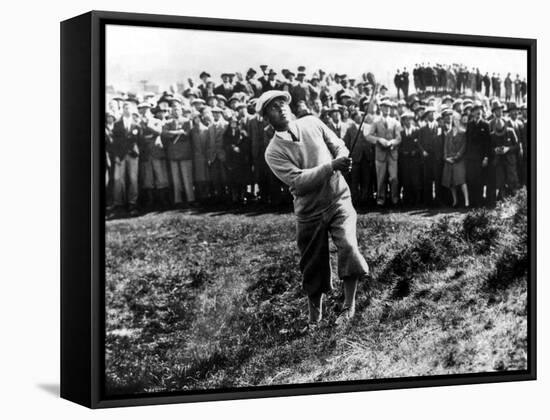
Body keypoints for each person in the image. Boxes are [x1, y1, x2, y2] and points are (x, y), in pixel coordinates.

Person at [261, 90, 369, 327]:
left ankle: (348, 307)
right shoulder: (273, 151)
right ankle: (315, 320)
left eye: (282, 103)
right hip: (309, 211)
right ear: (266, 118)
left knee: (349, 247)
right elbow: (298, 181)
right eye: (273, 107)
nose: (281, 108)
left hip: (338, 197)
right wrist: (332, 165)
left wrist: (342, 156)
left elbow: (338, 145)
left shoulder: (312, 122)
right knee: (312, 264)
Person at [366, 99, 402, 206]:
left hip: (392, 153)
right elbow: (368, 136)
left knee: (394, 178)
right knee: (381, 178)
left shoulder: (395, 122)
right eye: (384, 107)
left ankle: (394, 198)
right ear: (381, 108)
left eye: (388, 107)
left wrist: (392, 142)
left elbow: (399, 138)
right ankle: (381, 199)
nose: (387, 109)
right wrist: (379, 140)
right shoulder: (376, 121)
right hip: (380, 153)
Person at [111, 101, 142, 216]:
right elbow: (114, 142)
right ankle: (118, 204)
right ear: (122, 110)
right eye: (125, 108)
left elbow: (140, 141)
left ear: (132, 110)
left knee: (133, 179)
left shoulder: (137, 124)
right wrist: (116, 156)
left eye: (129, 108)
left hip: (133, 155)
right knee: (118, 179)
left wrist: (137, 152)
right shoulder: (117, 124)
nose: (127, 110)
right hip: (120, 155)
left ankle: (132, 203)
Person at [137, 102, 169, 210]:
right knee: (148, 178)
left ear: (150, 110)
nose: (145, 111)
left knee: (160, 176)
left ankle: (163, 201)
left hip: (156, 151)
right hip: (145, 153)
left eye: (146, 109)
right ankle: (150, 202)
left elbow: (158, 132)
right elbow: (139, 137)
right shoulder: (138, 122)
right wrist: (148, 135)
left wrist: (148, 125)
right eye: (142, 109)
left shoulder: (156, 121)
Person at [163, 103, 196, 207]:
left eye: (177, 110)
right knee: (176, 179)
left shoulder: (187, 121)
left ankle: (190, 199)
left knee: (187, 178)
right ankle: (178, 200)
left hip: (185, 152)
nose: (176, 111)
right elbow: (165, 133)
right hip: (173, 153)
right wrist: (178, 132)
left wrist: (175, 133)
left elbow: (187, 134)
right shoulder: (167, 122)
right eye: (174, 110)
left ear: (181, 111)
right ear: (171, 112)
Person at [342, 110, 374, 207]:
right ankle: (355, 201)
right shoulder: (350, 129)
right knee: (355, 180)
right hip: (355, 158)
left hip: (366, 157)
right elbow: (346, 143)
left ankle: (365, 200)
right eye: (358, 116)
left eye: (361, 115)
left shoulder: (368, 127)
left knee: (366, 179)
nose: (360, 117)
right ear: (354, 117)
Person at [441, 108, 469, 208]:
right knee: (451, 182)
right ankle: (455, 201)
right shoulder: (448, 133)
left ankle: (466, 201)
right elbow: (445, 147)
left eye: (457, 120)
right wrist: (445, 157)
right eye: (453, 120)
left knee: (461, 181)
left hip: (459, 160)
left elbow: (463, 147)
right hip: (449, 160)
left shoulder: (462, 133)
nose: (455, 121)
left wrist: (457, 156)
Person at [465, 102, 491, 207]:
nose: (478, 113)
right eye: (476, 111)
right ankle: (472, 203)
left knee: (480, 180)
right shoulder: (470, 124)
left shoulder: (485, 124)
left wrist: (486, 157)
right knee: (471, 179)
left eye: (480, 110)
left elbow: (488, 143)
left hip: (481, 158)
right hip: (471, 158)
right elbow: (467, 141)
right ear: (473, 113)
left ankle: (479, 203)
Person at [418, 106, 444, 207]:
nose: (431, 115)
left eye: (433, 113)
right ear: (426, 116)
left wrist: (440, 154)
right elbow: (419, 142)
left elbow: (442, 142)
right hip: (427, 157)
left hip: (436, 157)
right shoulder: (423, 128)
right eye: (429, 114)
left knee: (437, 179)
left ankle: (438, 200)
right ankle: (428, 201)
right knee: (427, 179)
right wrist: (423, 151)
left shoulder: (439, 127)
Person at [223, 117, 251, 203]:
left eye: (235, 122)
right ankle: (234, 196)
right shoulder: (227, 133)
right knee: (232, 178)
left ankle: (242, 195)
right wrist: (232, 147)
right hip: (231, 158)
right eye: (232, 122)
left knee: (242, 179)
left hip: (241, 159)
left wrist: (240, 148)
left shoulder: (243, 133)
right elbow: (225, 143)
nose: (233, 124)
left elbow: (247, 143)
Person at [490, 117, 520, 199]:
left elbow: (517, 146)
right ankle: (503, 199)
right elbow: (489, 148)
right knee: (500, 181)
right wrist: (495, 150)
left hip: (510, 160)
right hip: (499, 161)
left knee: (512, 180)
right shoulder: (492, 135)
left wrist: (508, 149)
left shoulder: (510, 131)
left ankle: (515, 199)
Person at [398, 111, 422, 206]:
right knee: (406, 180)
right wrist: (403, 152)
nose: (408, 122)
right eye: (405, 120)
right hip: (405, 160)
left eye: (409, 120)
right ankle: (407, 201)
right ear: (403, 122)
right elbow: (399, 145)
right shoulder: (401, 132)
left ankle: (417, 201)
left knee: (415, 180)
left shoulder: (416, 130)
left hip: (415, 159)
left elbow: (420, 144)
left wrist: (415, 151)